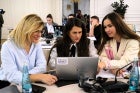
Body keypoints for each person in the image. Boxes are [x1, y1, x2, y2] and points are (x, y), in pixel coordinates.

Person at [0, 14, 57, 85]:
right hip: (8, 84)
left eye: (40, 31)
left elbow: (42, 66)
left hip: (29, 83)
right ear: (26, 29)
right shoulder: (8, 46)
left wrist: (25, 76)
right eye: (36, 31)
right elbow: (11, 76)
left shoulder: (36, 44)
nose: (39, 35)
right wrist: (37, 76)